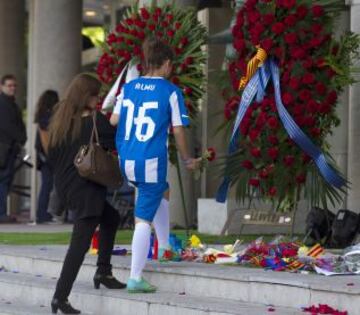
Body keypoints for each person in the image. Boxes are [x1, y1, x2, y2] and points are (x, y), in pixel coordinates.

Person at [110, 37, 199, 293]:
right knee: (142, 219)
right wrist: (187, 159)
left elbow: (114, 120)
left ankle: (165, 249)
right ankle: (135, 277)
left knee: (163, 189)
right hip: (150, 160)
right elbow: (179, 130)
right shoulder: (171, 91)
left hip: (126, 157)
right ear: (167, 63)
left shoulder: (129, 87)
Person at [47, 74, 125, 314]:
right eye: (95, 95)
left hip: (66, 187)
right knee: (78, 246)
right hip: (86, 190)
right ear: (86, 96)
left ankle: (103, 271)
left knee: (111, 218)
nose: (98, 99)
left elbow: (51, 155)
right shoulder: (94, 121)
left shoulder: (60, 118)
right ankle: (60, 298)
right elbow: (117, 141)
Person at [0, 74, 27, 223]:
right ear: (2, 87)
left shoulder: (12, 104)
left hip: (10, 149)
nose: (13, 88)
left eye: (14, 85)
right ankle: (1, 213)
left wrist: (22, 138)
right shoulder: (3, 103)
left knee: (5, 181)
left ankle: (2, 213)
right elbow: (7, 126)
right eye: (9, 85)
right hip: (4, 150)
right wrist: (21, 138)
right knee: (3, 181)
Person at [34, 90, 59, 223]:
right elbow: (45, 139)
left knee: (47, 185)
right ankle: (42, 215)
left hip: (44, 157)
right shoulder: (47, 116)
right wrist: (51, 156)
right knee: (47, 185)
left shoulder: (42, 114)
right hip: (47, 157)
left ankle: (43, 214)